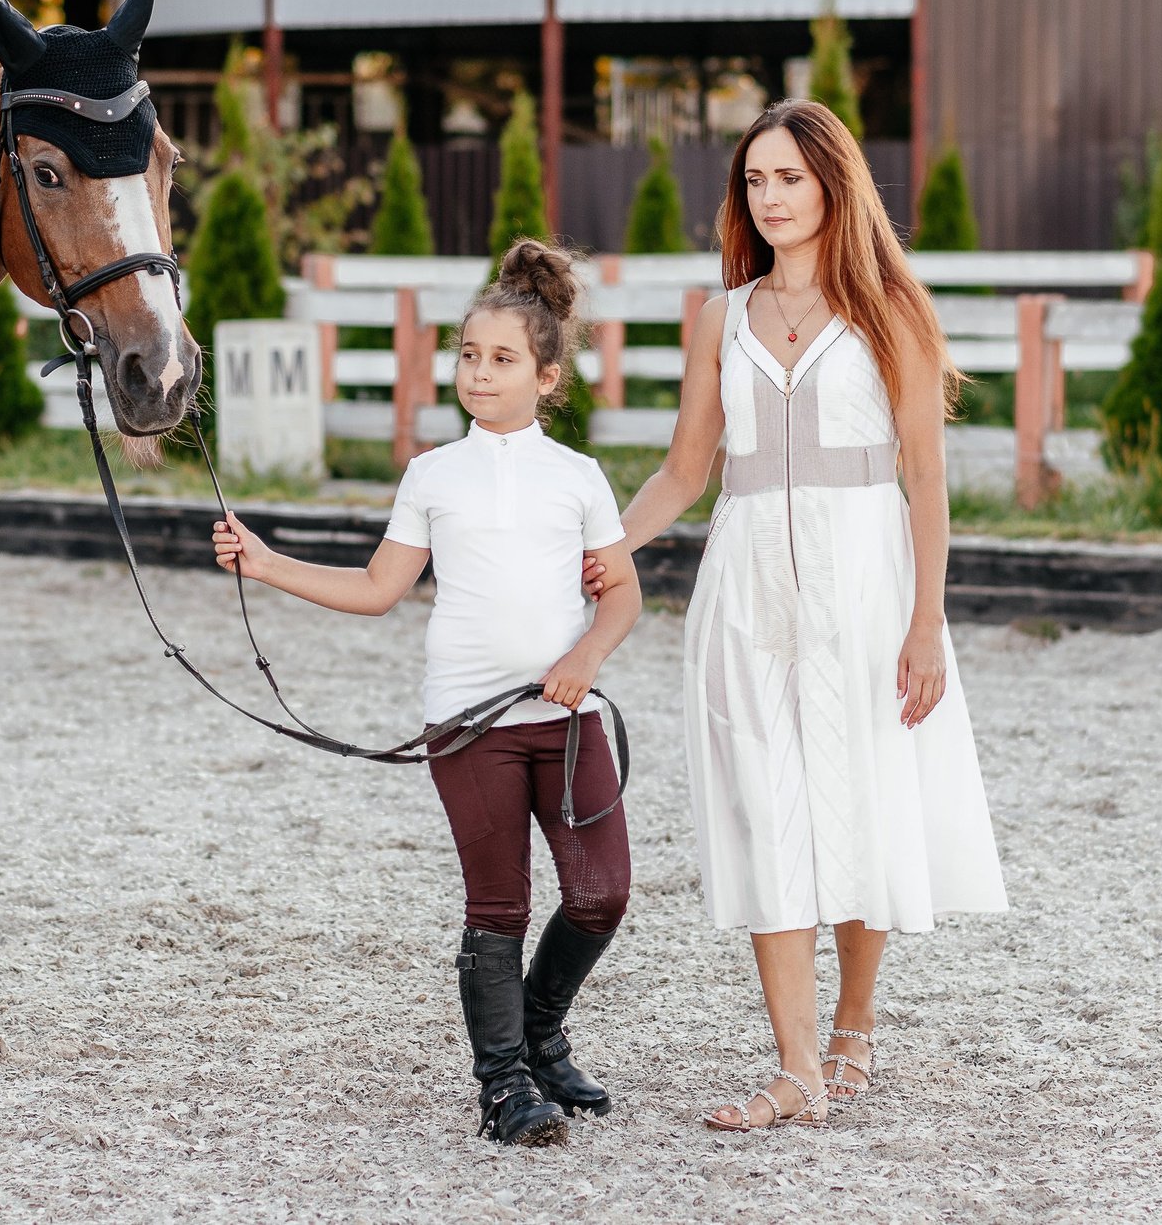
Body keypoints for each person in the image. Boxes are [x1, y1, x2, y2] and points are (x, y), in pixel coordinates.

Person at [614, 99, 1007, 1131]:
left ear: (833, 184)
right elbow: (685, 470)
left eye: (789, 177)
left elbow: (925, 477)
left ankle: (854, 1023)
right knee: (764, 808)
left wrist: (926, 625)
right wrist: (606, 547)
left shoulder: (891, 309)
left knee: (861, 800)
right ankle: (795, 1067)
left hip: (868, 585)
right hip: (746, 590)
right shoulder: (722, 317)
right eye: (755, 181)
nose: (771, 198)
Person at [211, 240, 643, 1147]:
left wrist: (589, 655)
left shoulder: (580, 478)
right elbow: (377, 588)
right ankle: (504, 1087)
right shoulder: (433, 475)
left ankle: (539, 1029)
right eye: (468, 355)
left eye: (503, 358)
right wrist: (265, 559)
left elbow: (625, 592)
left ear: (548, 374)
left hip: (565, 718)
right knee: (499, 907)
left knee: (601, 894)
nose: (479, 373)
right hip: (469, 724)